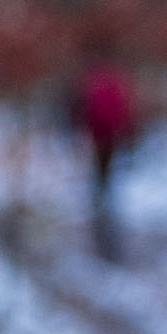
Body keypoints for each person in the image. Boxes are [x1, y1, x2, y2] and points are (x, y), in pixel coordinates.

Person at [67, 62, 137, 261]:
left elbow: (79, 110)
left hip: (96, 137)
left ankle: (100, 205)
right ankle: (106, 203)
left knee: (99, 172)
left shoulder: (91, 83)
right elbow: (127, 110)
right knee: (107, 171)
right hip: (113, 137)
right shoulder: (116, 82)